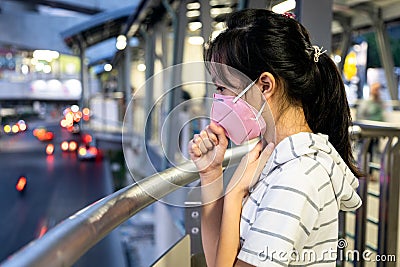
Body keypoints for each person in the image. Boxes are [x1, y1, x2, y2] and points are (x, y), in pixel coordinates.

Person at [188, 9, 362, 267]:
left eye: (222, 88)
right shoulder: (271, 157)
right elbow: (219, 258)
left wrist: (235, 194)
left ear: (265, 85)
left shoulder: (296, 179)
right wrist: (211, 174)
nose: (219, 100)